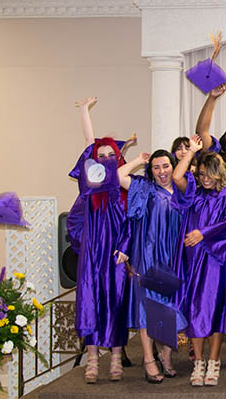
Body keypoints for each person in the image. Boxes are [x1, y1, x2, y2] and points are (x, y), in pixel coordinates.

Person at [67, 96, 130, 384]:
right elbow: (74, 224)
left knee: (116, 302)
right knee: (89, 303)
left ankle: (116, 356)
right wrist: (83, 111)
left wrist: (125, 251)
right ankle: (93, 359)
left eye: (110, 156)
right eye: (100, 156)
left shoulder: (121, 192)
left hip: (116, 255)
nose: (104, 159)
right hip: (92, 256)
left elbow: (130, 225)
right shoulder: (87, 196)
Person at [118, 148, 187, 383]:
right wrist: (138, 160)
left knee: (168, 308)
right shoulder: (145, 189)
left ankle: (166, 358)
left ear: (173, 166)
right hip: (149, 256)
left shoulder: (181, 190)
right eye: (156, 167)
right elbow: (119, 176)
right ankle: (149, 360)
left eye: (166, 166)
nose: (161, 171)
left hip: (174, 258)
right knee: (148, 309)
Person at [173, 140, 226, 387]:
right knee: (195, 307)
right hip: (192, 257)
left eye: (209, 174)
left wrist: (203, 233)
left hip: (215, 257)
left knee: (214, 307)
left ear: (218, 172)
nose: (205, 179)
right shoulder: (194, 192)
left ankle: (214, 361)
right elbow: (178, 174)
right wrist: (191, 152)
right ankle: (198, 362)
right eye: (201, 174)